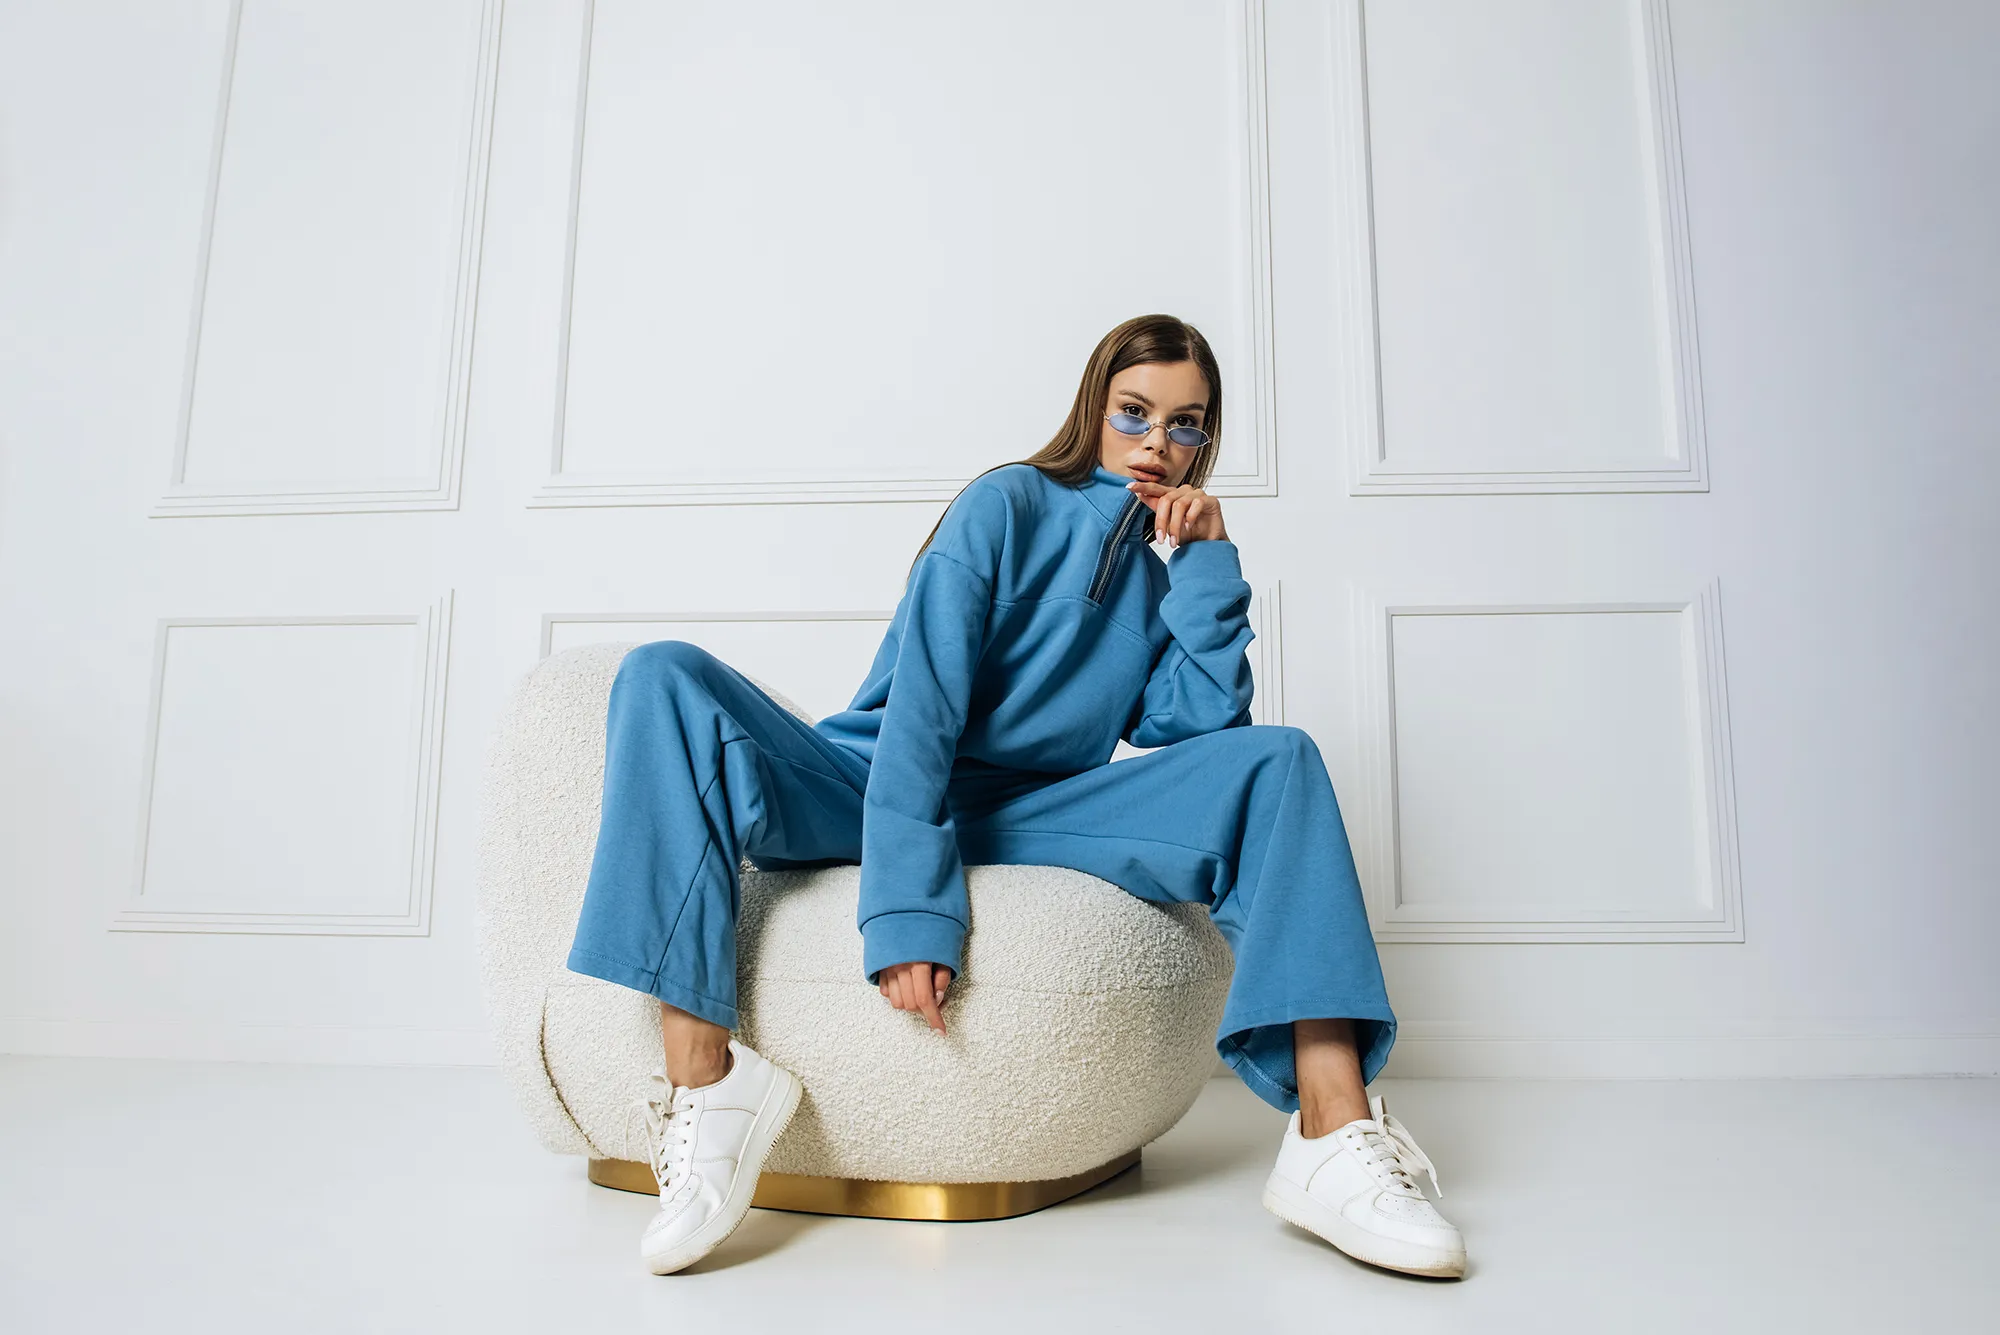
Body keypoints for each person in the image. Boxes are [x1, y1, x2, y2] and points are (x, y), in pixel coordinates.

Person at [566, 314, 1467, 1279]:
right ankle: (707, 1078)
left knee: (1279, 761)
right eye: (1136, 412)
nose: (1159, 442)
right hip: (867, 783)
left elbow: (1198, 729)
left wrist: (1205, 561)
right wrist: (909, 910)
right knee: (662, 673)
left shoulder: (1160, 575)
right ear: (1097, 407)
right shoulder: (1008, 504)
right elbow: (923, 710)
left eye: (1188, 424)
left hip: (1031, 808)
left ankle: (1333, 1129)